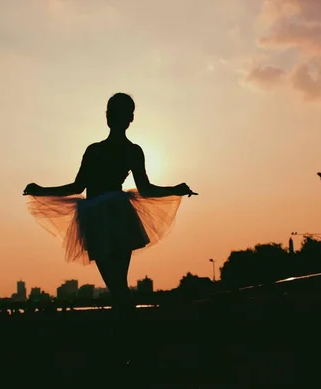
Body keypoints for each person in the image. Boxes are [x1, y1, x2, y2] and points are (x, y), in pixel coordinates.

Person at [24, 93, 196, 319]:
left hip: (103, 216)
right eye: (110, 112)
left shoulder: (105, 150)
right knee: (118, 285)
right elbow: (143, 189)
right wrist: (41, 190)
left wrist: (174, 189)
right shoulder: (116, 150)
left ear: (127, 118)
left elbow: (79, 187)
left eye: (113, 112)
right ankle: (129, 334)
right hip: (114, 215)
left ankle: (127, 336)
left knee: (116, 285)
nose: (110, 116)